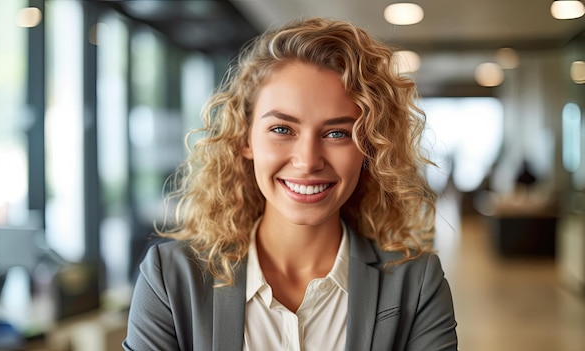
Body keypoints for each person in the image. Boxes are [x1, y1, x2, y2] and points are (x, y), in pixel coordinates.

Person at [123, 17, 458, 351]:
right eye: (282, 129)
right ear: (245, 138)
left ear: (369, 149)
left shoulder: (416, 283)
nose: (308, 161)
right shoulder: (170, 279)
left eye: (337, 133)